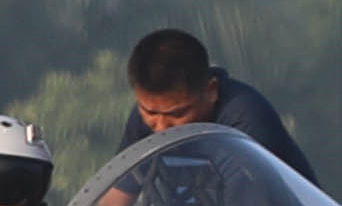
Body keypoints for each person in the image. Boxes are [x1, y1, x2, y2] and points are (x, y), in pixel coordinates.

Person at [124, 25, 318, 184]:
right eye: (150, 112)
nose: (161, 128)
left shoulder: (245, 121)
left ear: (211, 91)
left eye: (178, 114)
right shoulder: (150, 113)